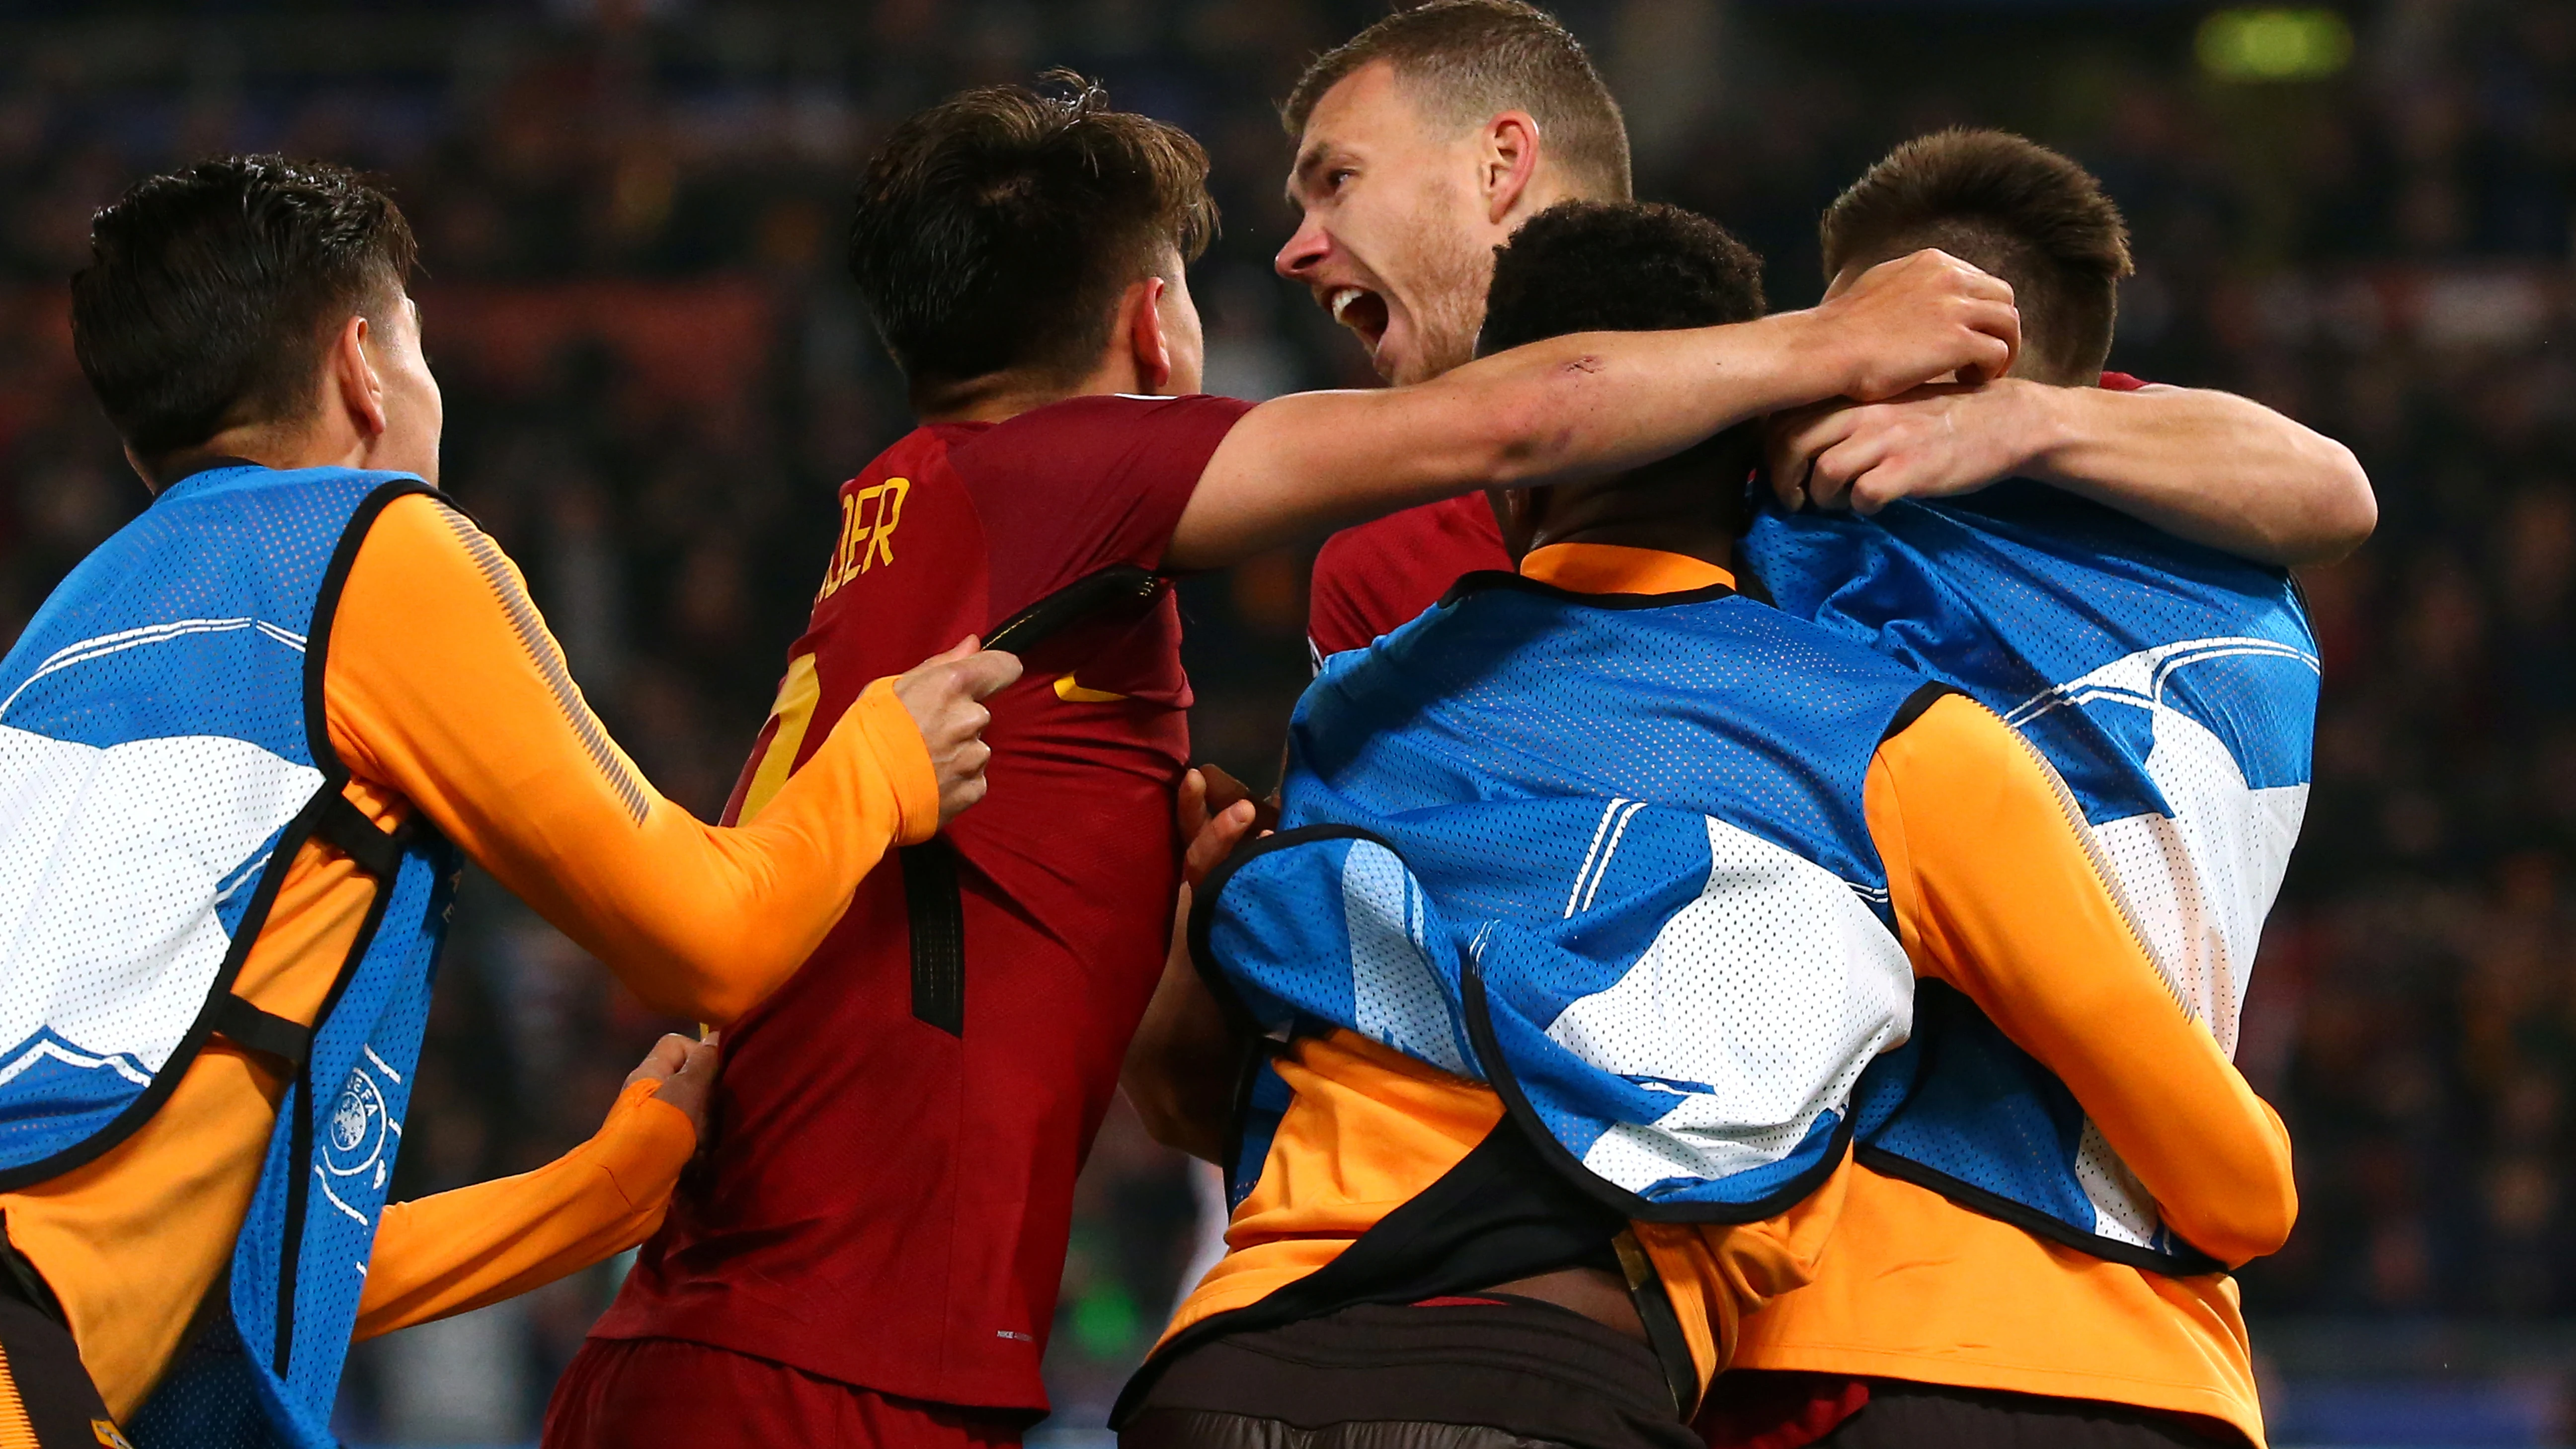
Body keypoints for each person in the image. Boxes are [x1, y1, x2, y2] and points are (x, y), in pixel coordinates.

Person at [548, 77, 2022, 1449]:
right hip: (831, 1364)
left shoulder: (903, 510)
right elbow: (1503, 417)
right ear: (1154, 328)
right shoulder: (1067, 466)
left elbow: (1116, 1051)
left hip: (720, 1339)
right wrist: (1826, 342)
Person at [1113, 201, 2293, 1449]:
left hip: (1222, 1376)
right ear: (1762, 461)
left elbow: (1202, 1106)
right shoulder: (1899, 747)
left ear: (1504, 473)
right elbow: (2241, 1192)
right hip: (1545, 1384)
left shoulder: (1352, 709)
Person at [0, 155, 1012, 1447]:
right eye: (424, 355)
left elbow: (233, 1274)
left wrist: (594, 1194)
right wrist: (883, 764)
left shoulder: (50, 646)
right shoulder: (374, 548)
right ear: (365, 368)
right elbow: (710, 936)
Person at [1701, 129, 2334, 1449]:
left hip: (1869, 1333)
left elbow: (1578, 402)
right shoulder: (2251, 601)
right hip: (2177, 1372)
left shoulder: (1823, 546)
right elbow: (2338, 487)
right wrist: (2034, 415)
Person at [1284, 0, 2373, 668]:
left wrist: (2025, 418)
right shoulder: (1377, 568)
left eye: (1340, 180)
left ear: (1500, 164)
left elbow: (2329, 493)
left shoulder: (1839, 433)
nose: (1297, 246)